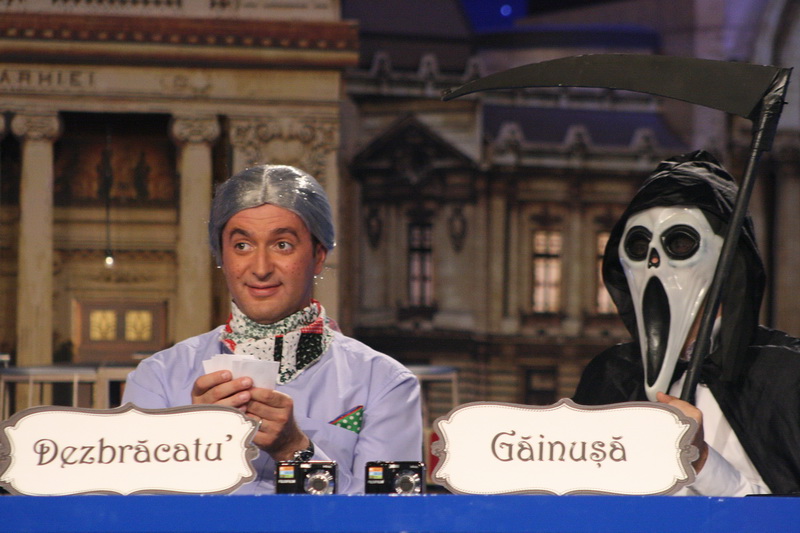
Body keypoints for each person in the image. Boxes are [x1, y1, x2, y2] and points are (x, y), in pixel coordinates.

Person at [122, 164, 423, 494]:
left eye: (282, 245)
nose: (261, 268)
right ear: (221, 256)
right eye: (242, 246)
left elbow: (386, 516)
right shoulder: (158, 379)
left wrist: (295, 451)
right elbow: (135, 511)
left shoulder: (384, 384)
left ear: (318, 255)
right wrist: (195, 446)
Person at [573, 150, 800, 496]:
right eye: (638, 245)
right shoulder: (610, 377)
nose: (653, 262)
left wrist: (702, 460)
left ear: (729, 259)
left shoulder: (788, 376)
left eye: (679, 243)